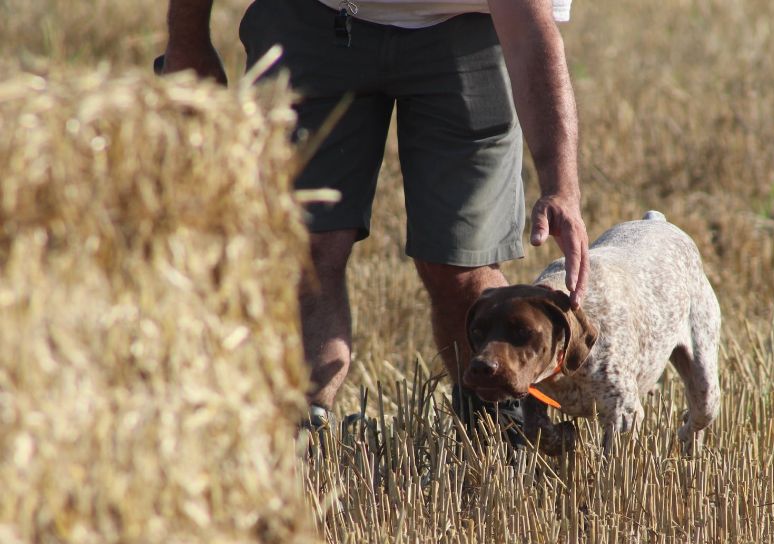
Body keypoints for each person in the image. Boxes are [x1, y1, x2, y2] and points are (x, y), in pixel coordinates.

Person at [163, 0, 590, 446]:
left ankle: (494, 435)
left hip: (466, 27)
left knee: (461, 265)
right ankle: (295, 440)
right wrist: (186, 43)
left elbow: (528, 31)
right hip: (311, 17)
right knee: (302, 249)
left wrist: (561, 187)